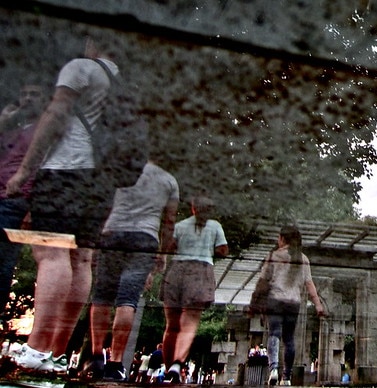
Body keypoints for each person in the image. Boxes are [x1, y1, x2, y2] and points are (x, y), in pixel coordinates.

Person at [6, 31, 119, 373]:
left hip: (65, 172)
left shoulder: (80, 68)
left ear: (91, 38)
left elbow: (55, 117)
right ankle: (56, 351)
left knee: (51, 252)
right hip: (102, 181)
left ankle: (38, 347)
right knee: (81, 258)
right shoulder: (121, 79)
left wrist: (25, 169)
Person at [83, 160, 179, 381]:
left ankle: (97, 355)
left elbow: (103, 205)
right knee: (127, 300)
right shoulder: (169, 180)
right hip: (145, 238)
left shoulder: (121, 169)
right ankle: (116, 363)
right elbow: (170, 221)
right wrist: (162, 255)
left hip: (112, 233)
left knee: (102, 297)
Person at [160, 195, 228, 383]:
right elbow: (223, 249)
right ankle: (177, 363)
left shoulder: (180, 226)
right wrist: (208, 248)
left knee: (171, 325)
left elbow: (170, 246)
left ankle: (168, 369)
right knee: (189, 321)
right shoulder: (215, 226)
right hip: (201, 269)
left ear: (193, 208)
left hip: (177, 269)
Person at [248, 225, 326, 386]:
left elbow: (262, 282)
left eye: (279, 238)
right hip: (293, 303)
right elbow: (309, 284)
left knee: (274, 334)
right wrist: (318, 304)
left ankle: (274, 369)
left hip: (275, 301)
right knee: (289, 339)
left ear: (283, 239)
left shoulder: (274, 255)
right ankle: (287, 377)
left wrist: (253, 302)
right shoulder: (303, 259)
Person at [0, 81, 48, 311]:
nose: (28, 98)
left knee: (3, 262)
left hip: (15, 201)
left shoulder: (44, 129)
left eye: (34, 94)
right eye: (24, 94)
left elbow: (44, 170)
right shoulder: (10, 128)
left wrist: (31, 208)